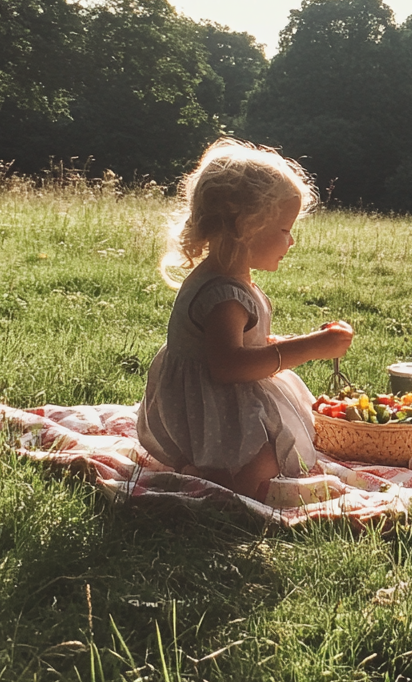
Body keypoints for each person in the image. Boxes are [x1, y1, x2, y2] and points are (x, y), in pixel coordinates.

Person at [137, 138, 353, 501]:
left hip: (199, 402)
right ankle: (228, 483)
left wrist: (289, 341)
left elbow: (240, 343)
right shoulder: (224, 295)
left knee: (286, 445)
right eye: (285, 229)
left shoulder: (223, 280)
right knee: (268, 461)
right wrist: (312, 348)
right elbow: (228, 366)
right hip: (213, 407)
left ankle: (209, 470)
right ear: (245, 226)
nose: (292, 241)